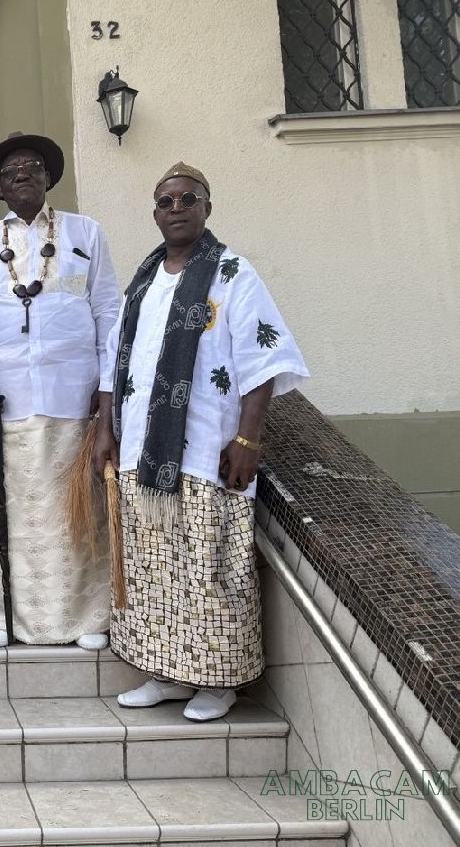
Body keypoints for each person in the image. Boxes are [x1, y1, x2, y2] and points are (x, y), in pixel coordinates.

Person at [93, 162, 308, 721]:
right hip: (142, 454)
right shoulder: (144, 280)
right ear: (155, 213)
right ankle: (165, 673)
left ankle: (219, 682)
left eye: (188, 199)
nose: (177, 209)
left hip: (206, 453)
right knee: (153, 570)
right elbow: (114, 363)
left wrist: (248, 440)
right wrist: (105, 429)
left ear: (207, 207)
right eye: (166, 201)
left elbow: (264, 362)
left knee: (209, 569)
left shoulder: (232, 272)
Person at [0, 132, 120, 650]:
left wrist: (107, 387)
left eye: (32, 167)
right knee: (10, 510)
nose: (22, 175)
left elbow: (107, 310)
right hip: (5, 397)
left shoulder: (86, 231)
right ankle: (4, 616)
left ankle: (85, 619)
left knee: (77, 509)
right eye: (10, 172)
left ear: (48, 177)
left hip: (73, 394)